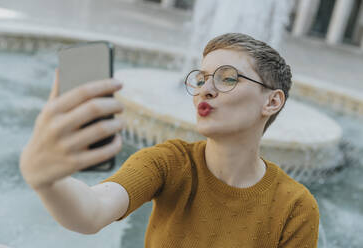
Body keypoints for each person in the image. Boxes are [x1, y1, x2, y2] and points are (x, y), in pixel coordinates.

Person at [19, 33, 319, 247]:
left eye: (227, 78)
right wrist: (46, 179)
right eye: (201, 79)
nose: (205, 90)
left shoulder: (295, 207)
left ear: (272, 102)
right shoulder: (171, 161)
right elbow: (93, 211)